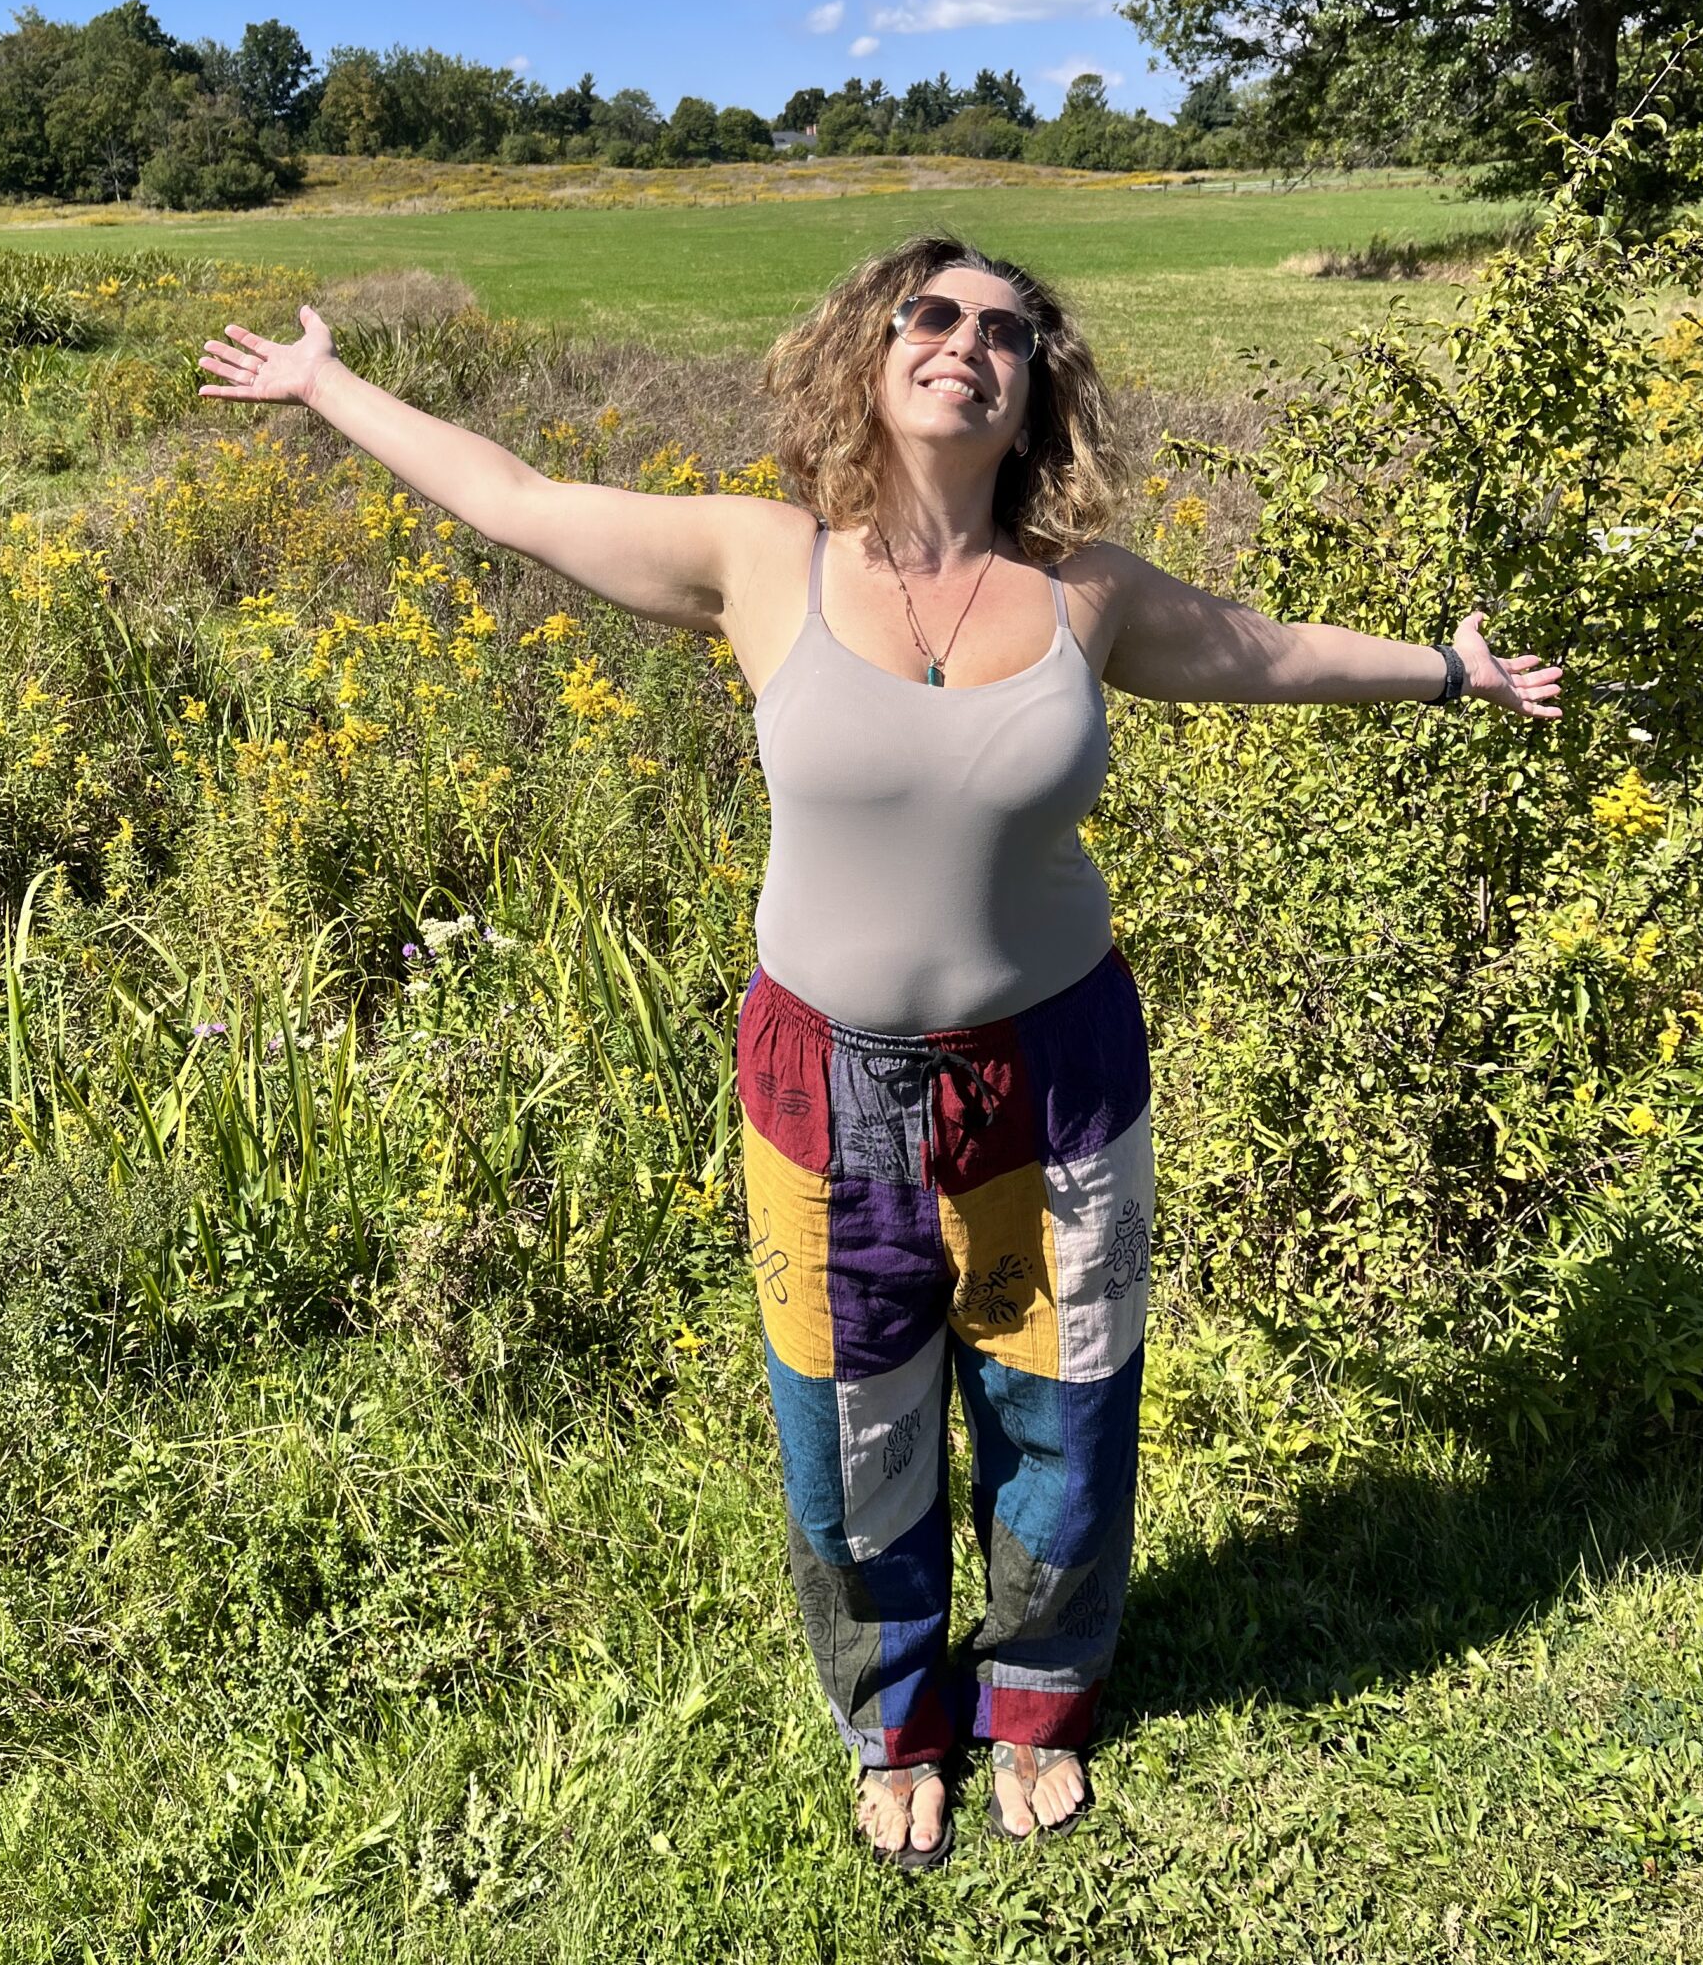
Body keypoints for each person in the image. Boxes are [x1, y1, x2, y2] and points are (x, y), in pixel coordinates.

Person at [198, 232, 1561, 1867]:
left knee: (1064, 1406)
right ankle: (896, 1716)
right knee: (849, 1418)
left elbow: (1259, 651)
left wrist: (1449, 673)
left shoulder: (1087, 592)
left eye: (1005, 329)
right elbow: (516, 498)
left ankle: (1044, 1687)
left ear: (1031, 385)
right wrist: (327, 381)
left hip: (1054, 1070)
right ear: (872, 350)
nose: (966, 343)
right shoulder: (765, 560)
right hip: (821, 1079)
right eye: (933, 314)